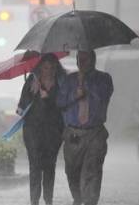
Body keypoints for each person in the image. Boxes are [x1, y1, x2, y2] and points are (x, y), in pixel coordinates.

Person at [56, 50, 113, 205]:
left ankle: (89, 201)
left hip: (95, 132)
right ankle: (78, 198)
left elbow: (104, 96)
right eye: (79, 59)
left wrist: (85, 86)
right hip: (73, 134)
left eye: (85, 58)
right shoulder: (69, 80)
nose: (82, 62)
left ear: (93, 60)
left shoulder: (103, 79)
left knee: (92, 171)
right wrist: (75, 94)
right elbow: (60, 103)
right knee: (72, 171)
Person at [17, 53, 66, 205]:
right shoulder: (32, 81)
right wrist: (32, 94)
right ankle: (34, 200)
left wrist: (48, 98)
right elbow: (20, 109)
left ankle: (48, 200)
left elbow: (64, 106)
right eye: (46, 67)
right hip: (33, 130)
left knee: (50, 166)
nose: (49, 70)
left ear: (57, 68)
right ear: (40, 67)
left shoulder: (61, 83)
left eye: (52, 67)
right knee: (35, 165)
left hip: (53, 131)